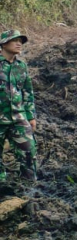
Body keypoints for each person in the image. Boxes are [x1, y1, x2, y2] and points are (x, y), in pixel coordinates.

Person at [0, 29, 36, 181]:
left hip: (18, 118)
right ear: (4, 43)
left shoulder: (21, 66)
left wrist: (31, 116)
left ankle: (29, 188)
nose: (19, 44)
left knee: (29, 152)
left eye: (21, 41)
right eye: (15, 40)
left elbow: (28, 92)